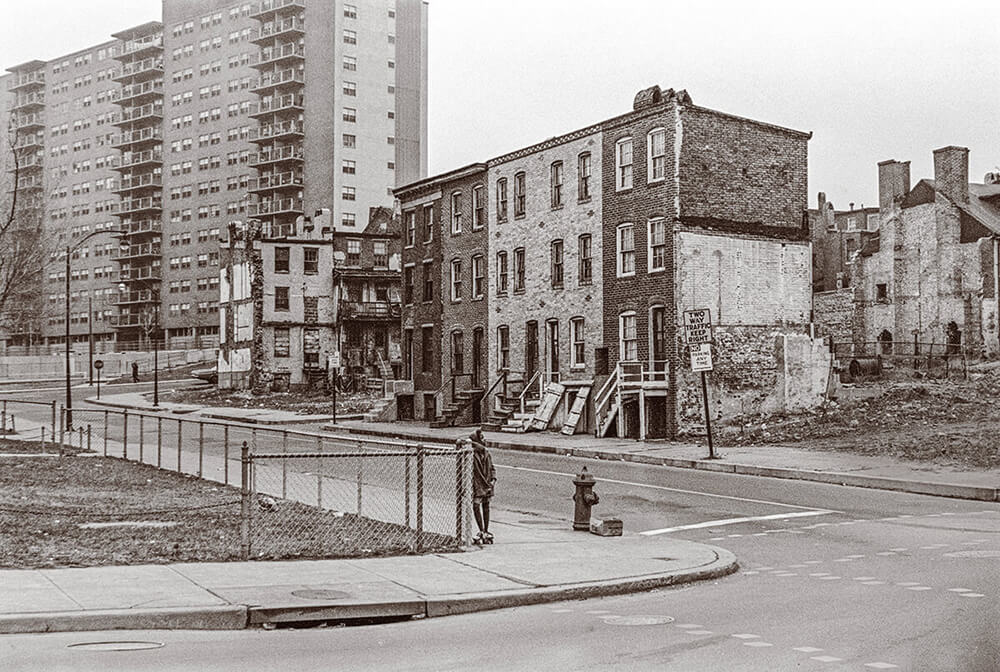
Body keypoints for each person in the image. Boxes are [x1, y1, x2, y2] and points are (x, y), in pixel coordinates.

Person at [469, 429, 496, 544]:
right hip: (478, 484)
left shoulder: (487, 453)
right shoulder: (471, 454)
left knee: (486, 505)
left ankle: (486, 530)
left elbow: (492, 467)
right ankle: (481, 529)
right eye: (482, 438)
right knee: (476, 505)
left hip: (488, 484)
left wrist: (493, 479)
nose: (485, 440)